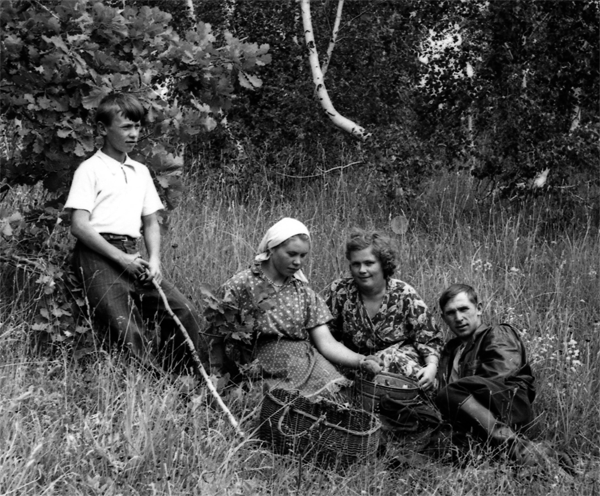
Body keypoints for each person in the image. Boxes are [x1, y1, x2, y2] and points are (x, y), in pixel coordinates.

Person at [65, 92, 204, 374]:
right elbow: (79, 225)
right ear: (103, 129)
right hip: (98, 255)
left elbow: (151, 221)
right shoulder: (89, 169)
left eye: (138, 126)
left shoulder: (140, 171)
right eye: (126, 127)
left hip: (133, 255)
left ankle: (185, 381)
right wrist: (119, 258)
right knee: (127, 329)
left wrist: (154, 261)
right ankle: (148, 390)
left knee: (183, 312)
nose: (134, 133)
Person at [216, 218, 382, 396]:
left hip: (305, 364)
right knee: (276, 403)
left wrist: (361, 361)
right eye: (292, 254)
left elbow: (326, 343)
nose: (298, 262)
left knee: (340, 397)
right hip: (260, 368)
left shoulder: (303, 293)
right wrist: (216, 376)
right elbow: (217, 334)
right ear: (272, 248)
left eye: (303, 256)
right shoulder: (242, 284)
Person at [435, 283, 550, 466]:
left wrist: (451, 396)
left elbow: (500, 380)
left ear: (479, 309)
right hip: (468, 417)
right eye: (451, 313)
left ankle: (520, 451)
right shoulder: (450, 351)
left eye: (464, 309)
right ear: (444, 318)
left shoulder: (497, 334)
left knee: (450, 392)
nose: (458, 318)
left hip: (505, 405)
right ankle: (483, 451)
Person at [325, 229, 443, 391]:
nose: (362, 270)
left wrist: (431, 367)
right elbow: (326, 336)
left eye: (369, 263)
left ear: (383, 264)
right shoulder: (340, 291)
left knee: (391, 359)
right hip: (358, 363)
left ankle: (435, 400)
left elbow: (429, 337)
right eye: (356, 264)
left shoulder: (403, 294)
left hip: (401, 363)